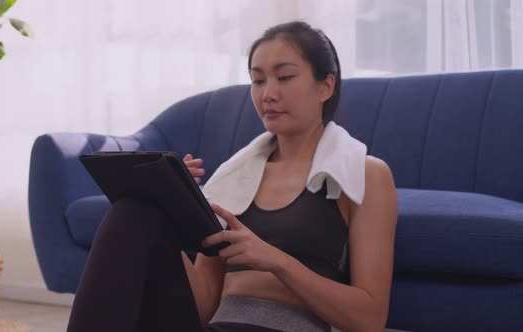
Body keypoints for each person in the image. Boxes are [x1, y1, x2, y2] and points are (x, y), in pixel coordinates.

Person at [67, 21, 397, 332]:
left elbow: (369, 319)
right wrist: (169, 204)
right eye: (258, 80)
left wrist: (276, 261)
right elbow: (203, 304)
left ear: (326, 86)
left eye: (284, 77)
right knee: (132, 211)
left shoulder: (364, 174)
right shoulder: (234, 177)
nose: (268, 93)